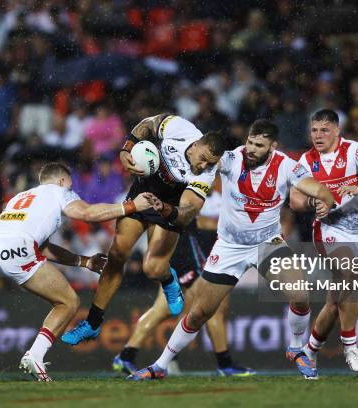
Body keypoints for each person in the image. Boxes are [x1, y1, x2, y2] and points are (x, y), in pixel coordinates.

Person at [0, 163, 157, 382]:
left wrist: (83, 261)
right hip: (17, 246)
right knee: (68, 302)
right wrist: (131, 206)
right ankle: (35, 356)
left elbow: (42, 247)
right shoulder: (60, 192)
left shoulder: (21, 197)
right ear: (60, 180)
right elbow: (87, 213)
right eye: (69, 183)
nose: (72, 188)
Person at [127, 119, 335, 381]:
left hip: (267, 244)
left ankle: (296, 348)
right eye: (249, 141)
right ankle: (160, 365)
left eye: (259, 145)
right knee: (200, 312)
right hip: (229, 247)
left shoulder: (288, 166)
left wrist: (325, 202)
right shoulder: (227, 160)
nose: (251, 148)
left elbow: (318, 189)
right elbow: (194, 180)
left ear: (273, 147)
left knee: (301, 294)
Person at [61, 114, 227, 346]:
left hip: (170, 208)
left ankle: (169, 280)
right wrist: (126, 149)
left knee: (152, 268)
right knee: (117, 254)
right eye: (203, 159)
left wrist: (167, 209)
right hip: (142, 194)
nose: (204, 166)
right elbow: (148, 125)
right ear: (197, 144)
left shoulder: (206, 173)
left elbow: (189, 210)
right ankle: (92, 323)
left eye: (210, 163)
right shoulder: (180, 128)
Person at [112, 189, 255, 377]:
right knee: (213, 306)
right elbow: (198, 221)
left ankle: (126, 355)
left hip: (174, 251)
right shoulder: (187, 188)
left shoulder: (175, 185)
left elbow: (197, 221)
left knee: (162, 309)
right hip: (183, 251)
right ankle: (224, 363)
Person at [290, 109, 358, 378]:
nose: (318, 135)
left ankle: (309, 351)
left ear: (336, 130)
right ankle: (350, 346)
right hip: (328, 231)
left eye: (324, 130)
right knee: (347, 276)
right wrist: (313, 202)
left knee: (335, 302)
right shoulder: (306, 161)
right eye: (314, 130)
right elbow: (295, 200)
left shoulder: (356, 151)